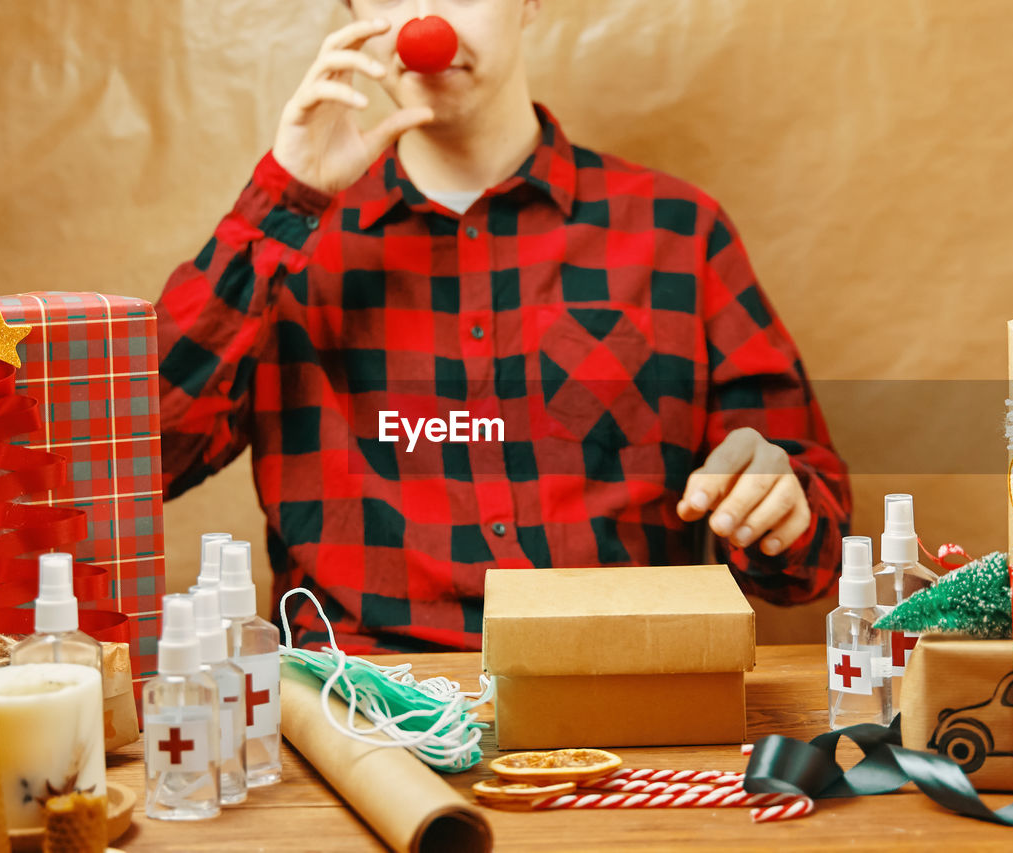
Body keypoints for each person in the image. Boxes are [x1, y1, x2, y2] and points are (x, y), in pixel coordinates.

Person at [156, 0, 851, 654]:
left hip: (620, 700)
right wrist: (285, 199)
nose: (427, 22)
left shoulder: (677, 232)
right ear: (353, 13)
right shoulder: (287, 250)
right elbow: (142, 457)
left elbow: (809, 559)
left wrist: (777, 504)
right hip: (358, 719)